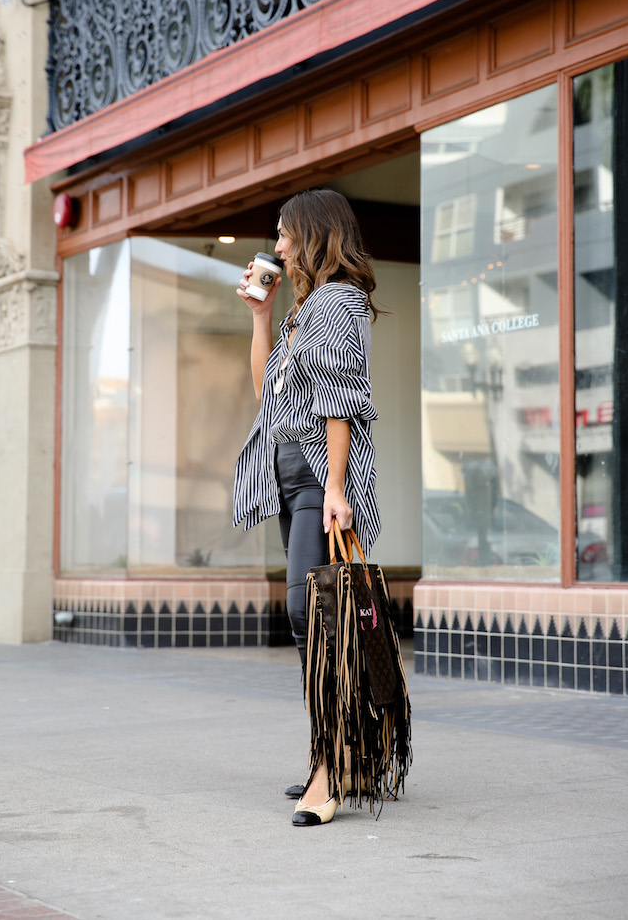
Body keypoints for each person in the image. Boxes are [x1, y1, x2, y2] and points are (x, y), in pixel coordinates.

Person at [233, 188, 381, 827]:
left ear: (314, 234)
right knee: (312, 619)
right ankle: (337, 752)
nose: (280, 244)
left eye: (286, 233)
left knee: (309, 614)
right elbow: (269, 391)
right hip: (294, 480)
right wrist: (262, 318)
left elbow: (339, 398)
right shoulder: (305, 309)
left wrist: (338, 489)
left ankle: (336, 761)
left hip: (322, 482)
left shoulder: (341, 300)